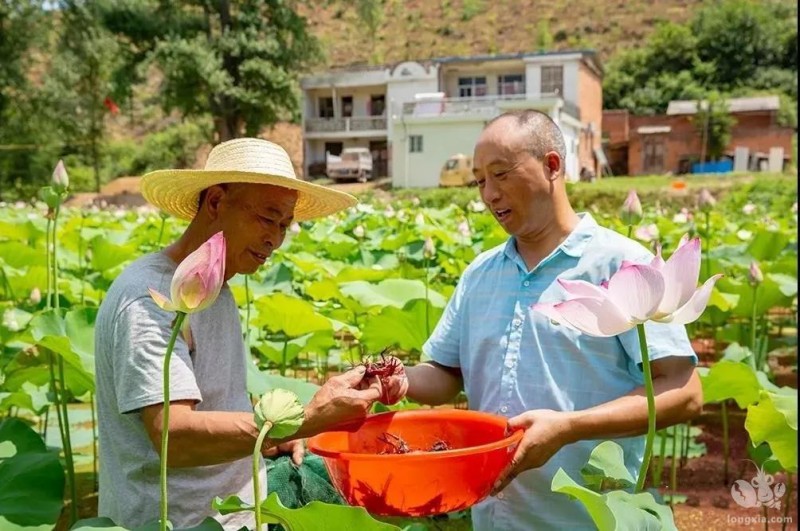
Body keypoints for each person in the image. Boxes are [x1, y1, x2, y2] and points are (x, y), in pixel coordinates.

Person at [398, 110, 704, 530]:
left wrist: (567, 428)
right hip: (491, 515)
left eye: (500, 174)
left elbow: (684, 391)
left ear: (552, 166)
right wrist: (394, 379)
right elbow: (444, 374)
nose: (488, 194)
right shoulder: (480, 273)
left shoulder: (623, 263)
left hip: (584, 518)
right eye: (479, 181)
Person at [94, 138, 382, 530]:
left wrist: (272, 437)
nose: (275, 240)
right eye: (267, 218)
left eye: (284, 225)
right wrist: (306, 419)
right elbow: (173, 437)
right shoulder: (147, 298)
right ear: (215, 202)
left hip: (244, 512)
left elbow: (217, 404)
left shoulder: (217, 287)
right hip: (181, 521)